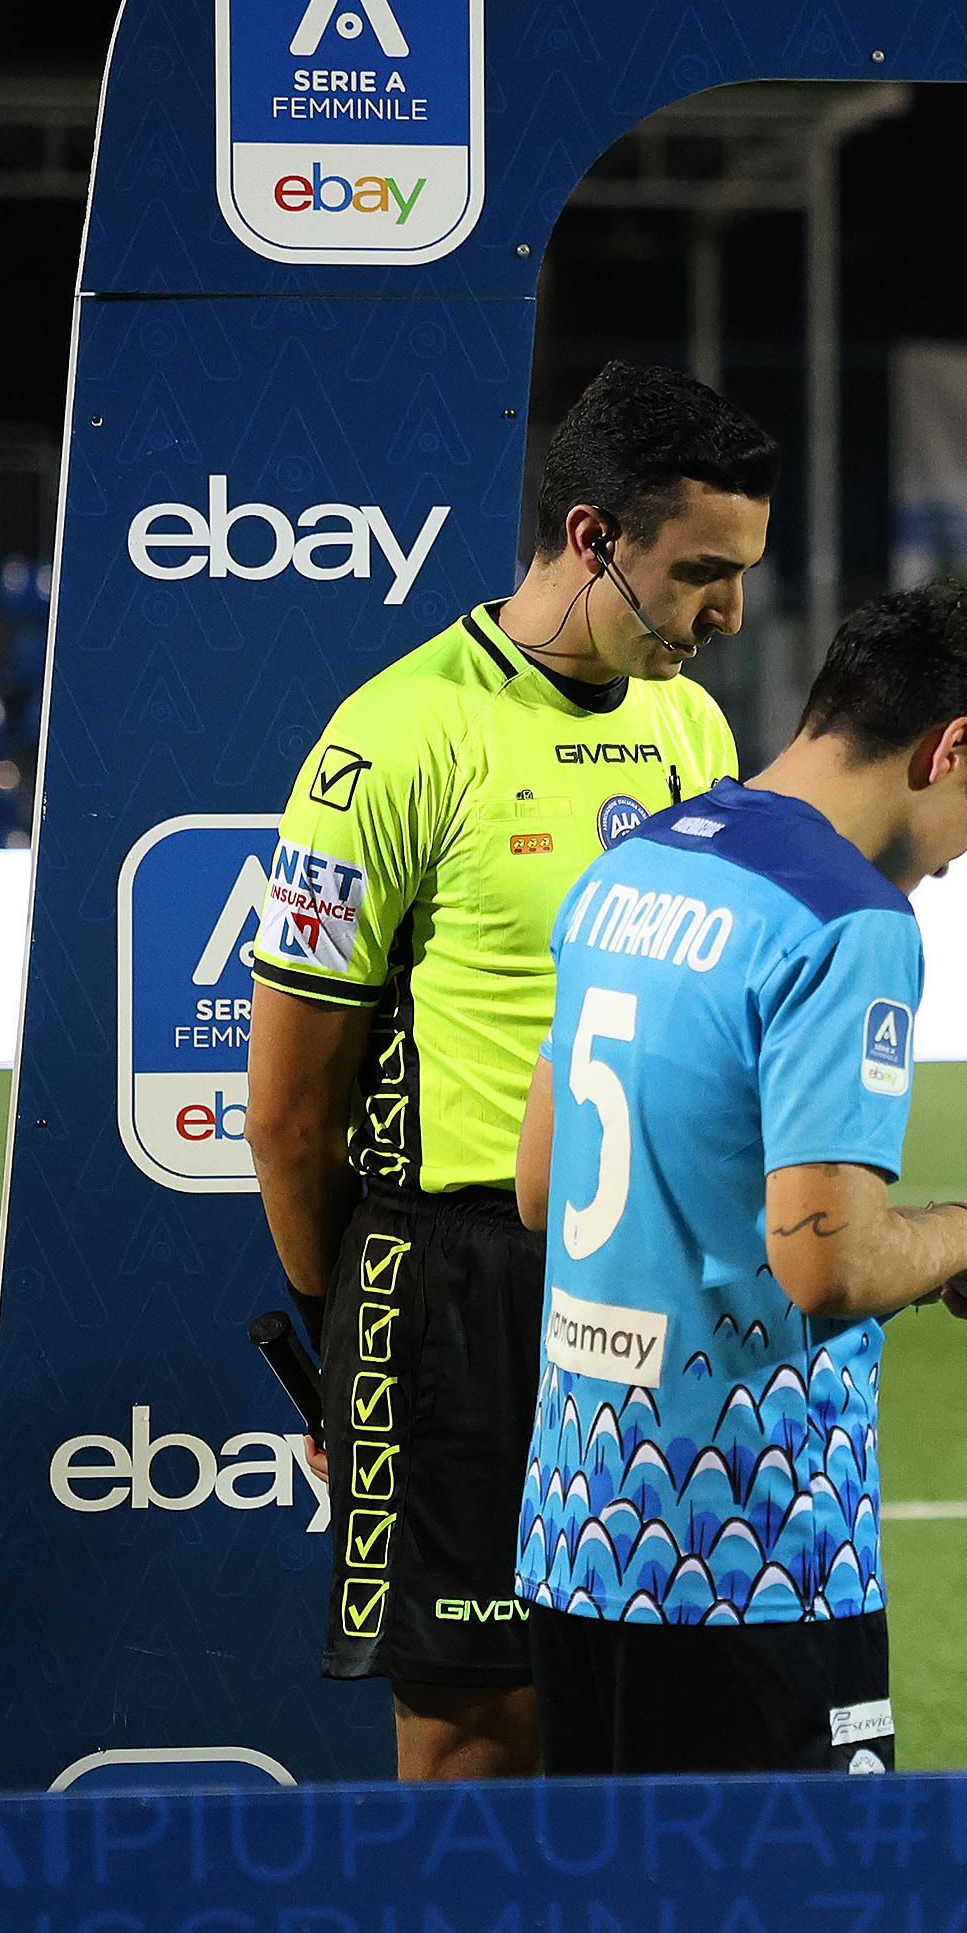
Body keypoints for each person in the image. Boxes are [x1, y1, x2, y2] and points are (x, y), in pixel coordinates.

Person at [244, 360, 772, 1780]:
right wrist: (335, 1338)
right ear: (594, 536)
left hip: (652, 1280)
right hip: (454, 1286)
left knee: (656, 1711)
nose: (730, 611)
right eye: (704, 572)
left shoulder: (694, 730)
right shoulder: (396, 735)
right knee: (480, 1728)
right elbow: (290, 1113)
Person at [509, 582, 967, 1774]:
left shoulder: (629, 865)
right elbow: (830, 1257)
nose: (962, 855)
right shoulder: (847, 921)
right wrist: (962, 1235)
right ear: (949, 748)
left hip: (578, 1530)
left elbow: (541, 1192)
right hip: (755, 1553)